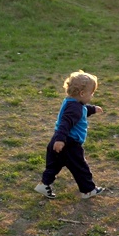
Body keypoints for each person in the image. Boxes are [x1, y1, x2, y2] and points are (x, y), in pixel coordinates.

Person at [34, 70, 106, 200]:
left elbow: (82, 110)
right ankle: (88, 190)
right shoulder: (75, 108)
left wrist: (92, 109)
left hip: (58, 140)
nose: (92, 96)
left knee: (54, 165)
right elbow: (65, 123)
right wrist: (61, 140)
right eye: (92, 93)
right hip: (69, 143)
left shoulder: (71, 102)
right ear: (82, 93)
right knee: (80, 167)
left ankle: (44, 184)